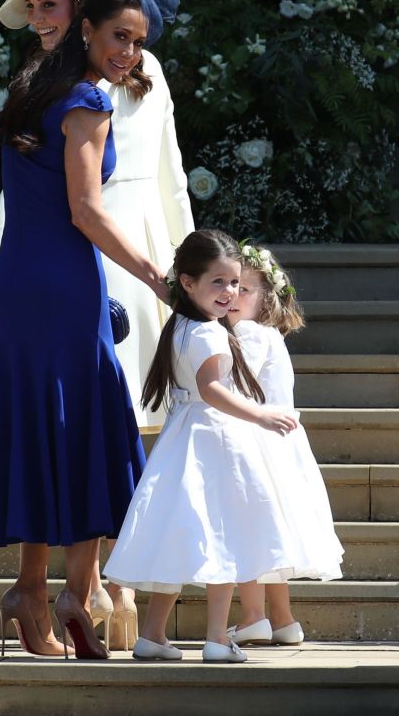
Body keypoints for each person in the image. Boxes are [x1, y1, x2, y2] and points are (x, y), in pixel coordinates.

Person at [0, 0, 194, 650]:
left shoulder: (31, 84)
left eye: (137, 41)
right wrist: (160, 278)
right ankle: (69, 596)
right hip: (67, 274)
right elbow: (86, 211)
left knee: (43, 423)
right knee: (87, 426)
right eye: (118, 36)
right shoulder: (85, 101)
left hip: (27, 279)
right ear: (88, 29)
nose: (128, 51)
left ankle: (37, 591)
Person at [104, 229, 304, 664]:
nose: (230, 292)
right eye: (219, 282)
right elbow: (211, 389)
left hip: (183, 438)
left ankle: (153, 634)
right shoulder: (210, 333)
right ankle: (216, 637)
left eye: (235, 283)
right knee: (224, 536)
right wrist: (262, 414)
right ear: (187, 282)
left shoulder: (180, 323)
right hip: (217, 438)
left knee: (180, 534)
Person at [225, 244, 343, 647]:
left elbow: (233, 387)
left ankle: (254, 615)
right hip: (279, 444)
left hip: (258, 442)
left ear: (265, 299)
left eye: (244, 289)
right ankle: (284, 619)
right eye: (229, 285)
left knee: (250, 531)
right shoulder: (267, 334)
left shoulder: (248, 334)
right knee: (271, 535)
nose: (232, 295)